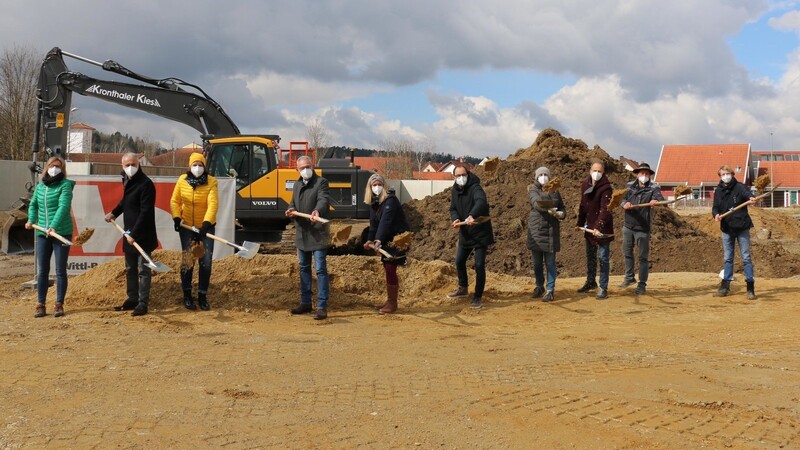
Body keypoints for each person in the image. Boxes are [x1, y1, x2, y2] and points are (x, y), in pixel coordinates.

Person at [104, 153, 158, 317]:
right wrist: (114, 213)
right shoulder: (127, 180)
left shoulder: (146, 184)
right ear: (122, 166)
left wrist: (135, 233)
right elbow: (126, 202)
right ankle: (132, 298)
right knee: (130, 269)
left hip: (142, 234)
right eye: (127, 165)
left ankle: (142, 303)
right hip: (128, 233)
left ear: (139, 164)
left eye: (133, 164)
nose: (130, 167)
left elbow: (145, 212)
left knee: (143, 270)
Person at [26, 156, 75, 318]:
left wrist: (53, 226)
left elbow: (63, 206)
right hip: (42, 233)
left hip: (61, 232)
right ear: (46, 168)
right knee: (42, 271)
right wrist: (31, 219)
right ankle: (40, 304)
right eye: (52, 165)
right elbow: (33, 205)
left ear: (63, 169)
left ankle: (59, 304)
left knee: (60, 270)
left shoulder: (65, 185)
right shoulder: (40, 187)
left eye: (58, 166)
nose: (55, 168)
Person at [171, 152, 218, 311]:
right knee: (188, 261)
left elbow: (212, 204)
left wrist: (205, 224)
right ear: (189, 166)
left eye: (200, 165)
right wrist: (177, 217)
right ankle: (187, 294)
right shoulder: (182, 180)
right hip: (187, 227)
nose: (197, 168)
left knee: (205, 262)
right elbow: (174, 201)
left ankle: (202, 295)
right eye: (194, 165)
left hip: (206, 227)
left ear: (205, 167)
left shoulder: (212, 182)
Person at [286, 155, 331, 320]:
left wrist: (317, 210)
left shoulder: (321, 182)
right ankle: (305, 302)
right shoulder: (297, 185)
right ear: (297, 170)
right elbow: (293, 203)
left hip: (318, 233)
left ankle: (321, 306)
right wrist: (290, 210)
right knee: (304, 268)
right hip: (302, 233)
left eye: (308, 166)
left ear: (312, 166)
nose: (306, 170)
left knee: (320, 269)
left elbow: (323, 200)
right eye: (302, 168)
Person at [447, 165, 494, 309]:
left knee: (479, 265)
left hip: (480, 231)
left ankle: (478, 296)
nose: (461, 178)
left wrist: (471, 215)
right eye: (457, 176)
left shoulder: (475, 187)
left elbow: (481, 202)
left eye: (463, 174)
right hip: (466, 232)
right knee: (459, 261)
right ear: (454, 177)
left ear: (467, 174)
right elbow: (453, 208)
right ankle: (463, 288)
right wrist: (456, 218)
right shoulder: (455, 190)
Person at [363, 173, 410, 314]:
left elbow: (386, 222)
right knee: (387, 266)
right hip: (385, 238)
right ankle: (389, 300)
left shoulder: (390, 200)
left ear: (384, 186)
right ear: (370, 188)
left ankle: (392, 303)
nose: (377, 187)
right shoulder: (374, 203)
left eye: (379, 185)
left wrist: (378, 240)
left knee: (390, 268)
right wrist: (370, 239)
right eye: (374, 185)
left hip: (398, 239)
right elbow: (374, 225)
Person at [712, 165, 758, 299]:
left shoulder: (740, 187)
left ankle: (750, 287)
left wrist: (751, 199)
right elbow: (715, 207)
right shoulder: (719, 191)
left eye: (727, 173)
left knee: (746, 257)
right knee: (728, 258)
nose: (725, 176)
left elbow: (748, 195)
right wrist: (715, 214)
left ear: (732, 174)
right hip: (727, 228)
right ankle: (725, 287)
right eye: (722, 174)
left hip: (742, 227)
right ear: (720, 176)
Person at [619, 162, 664, 295]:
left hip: (643, 227)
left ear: (649, 175)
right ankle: (629, 277)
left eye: (646, 174)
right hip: (628, 225)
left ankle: (642, 284)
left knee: (643, 257)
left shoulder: (653, 188)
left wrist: (656, 201)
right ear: (637, 174)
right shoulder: (629, 186)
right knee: (627, 252)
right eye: (641, 173)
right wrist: (624, 204)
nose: (643, 175)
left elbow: (660, 199)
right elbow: (622, 199)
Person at [576, 161, 614, 299]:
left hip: (603, 228)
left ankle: (603, 287)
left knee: (603, 258)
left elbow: (605, 210)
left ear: (603, 173)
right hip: (589, 227)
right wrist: (579, 222)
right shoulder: (585, 185)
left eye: (600, 171)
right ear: (590, 171)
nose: (597, 173)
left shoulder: (606, 188)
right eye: (594, 170)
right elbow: (583, 205)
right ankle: (591, 282)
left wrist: (598, 226)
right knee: (590, 256)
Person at [526, 167, 566, 302]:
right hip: (537, 232)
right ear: (536, 177)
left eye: (546, 175)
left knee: (550, 263)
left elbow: (562, 207)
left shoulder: (555, 191)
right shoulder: (533, 189)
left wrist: (561, 213)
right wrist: (549, 208)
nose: (543, 177)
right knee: (537, 264)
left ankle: (550, 290)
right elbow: (537, 203)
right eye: (541, 175)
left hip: (551, 232)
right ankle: (539, 286)